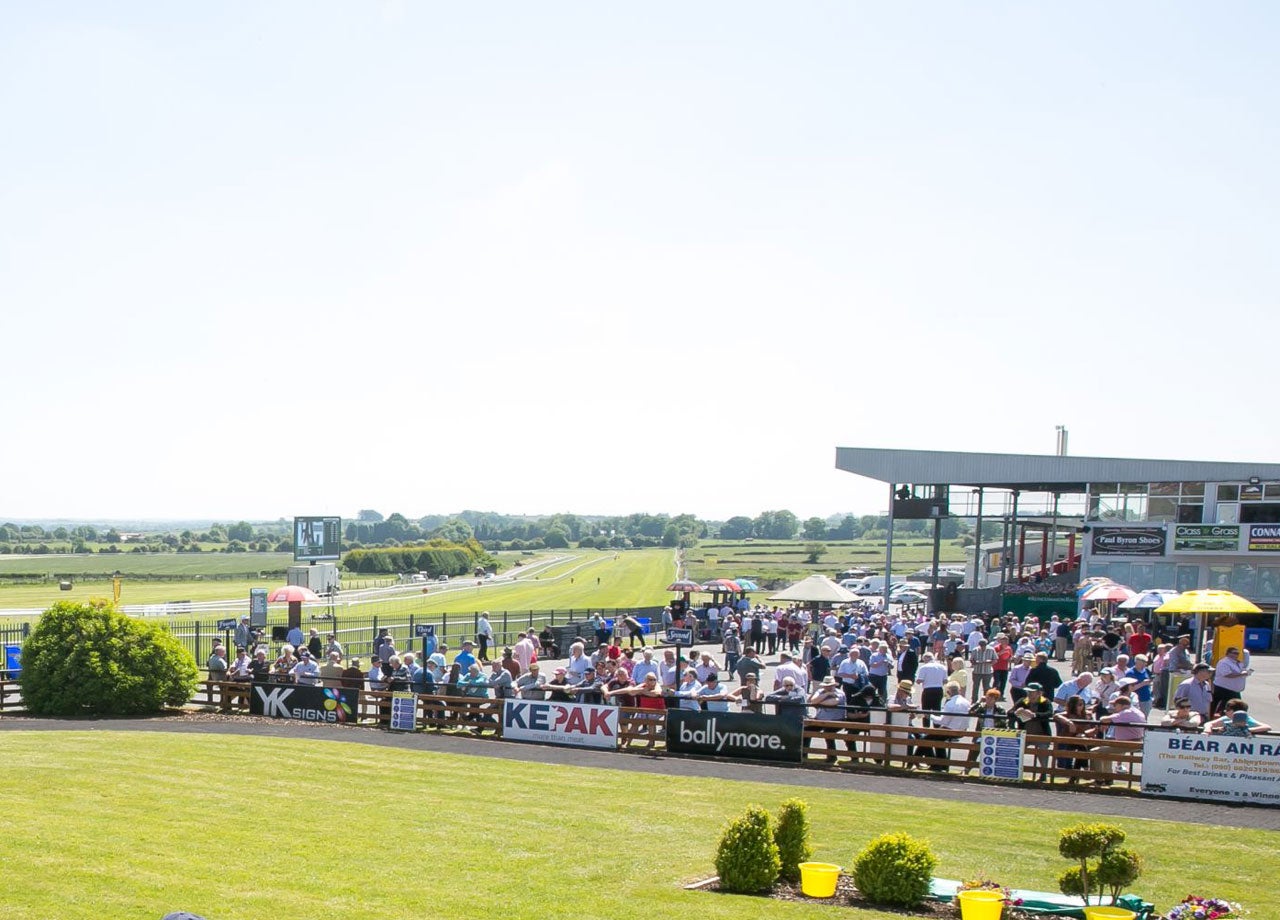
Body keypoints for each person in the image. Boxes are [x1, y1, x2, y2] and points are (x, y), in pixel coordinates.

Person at [1011, 683, 1054, 782]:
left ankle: (1043, 773)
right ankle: (1013, 772)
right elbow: (1010, 712)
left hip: (1041, 734)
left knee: (1043, 751)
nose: (1029, 694)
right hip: (1025, 734)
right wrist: (1016, 712)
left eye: (1032, 692)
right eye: (1028, 691)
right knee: (1015, 749)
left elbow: (1049, 713)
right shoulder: (1023, 701)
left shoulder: (1045, 702)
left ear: (1039, 693)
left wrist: (1034, 715)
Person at [806, 676, 848, 763]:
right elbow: (813, 700)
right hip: (820, 719)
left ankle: (832, 756)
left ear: (834, 685)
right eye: (826, 686)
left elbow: (833, 702)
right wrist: (827, 694)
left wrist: (819, 702)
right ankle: (804, 753)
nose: (828, 687)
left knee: (828, 733)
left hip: (836, 720)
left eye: (830, 686)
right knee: (806, 731)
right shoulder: (820, 691)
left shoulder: (840, 693)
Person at [1212, 647, 1253, 715]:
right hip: (1224, 689)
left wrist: (1246, 673)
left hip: (1234, 690)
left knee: (1236, 707)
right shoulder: (1224, 662)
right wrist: (1241, 674)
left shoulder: (1237, 662)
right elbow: (1227, 674)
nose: (1236, 655)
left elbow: (1241, 671)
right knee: (1229, 707)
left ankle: (1233, 717)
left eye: (1237, 653)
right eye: (1234, 653)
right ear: (1228, 653)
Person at [1205, 699, 1271, 735]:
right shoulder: (1226, 719)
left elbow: (1267, 727)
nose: (1225, 711)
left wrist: (1247, 730)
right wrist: (1208, 729)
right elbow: (1209, 723)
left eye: (1228, 709)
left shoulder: (1247, 720)